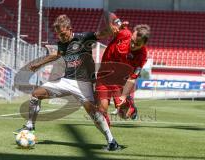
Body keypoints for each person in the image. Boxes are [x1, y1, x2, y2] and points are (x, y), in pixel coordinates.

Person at [14, 14, 120, 151]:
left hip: (83, 83)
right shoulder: (62, 43)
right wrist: (37, 65)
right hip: (66, 81)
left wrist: (111, 28)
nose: (61, 37)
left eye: (63, 34)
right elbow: (55, 55)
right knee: (36, 94)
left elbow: (101, 34)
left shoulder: (83, 38)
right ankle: (30, 125)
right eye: (58, 35)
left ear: (70, 29)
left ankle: (111, 141)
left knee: (93, 113)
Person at [95, 13, 150, 125]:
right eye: (133, 41)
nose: (133, 45)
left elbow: (132, 77)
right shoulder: (124, 33)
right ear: (132, 35)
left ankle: (131, 107)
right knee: (101, 110)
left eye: (138, 44)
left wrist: (124, 96)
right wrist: (112, 25)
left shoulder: (142, 56)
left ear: (144, 44)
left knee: (123, 115)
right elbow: (108, 14)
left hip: (120, 81)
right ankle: (110, 139)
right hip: (104, 74)